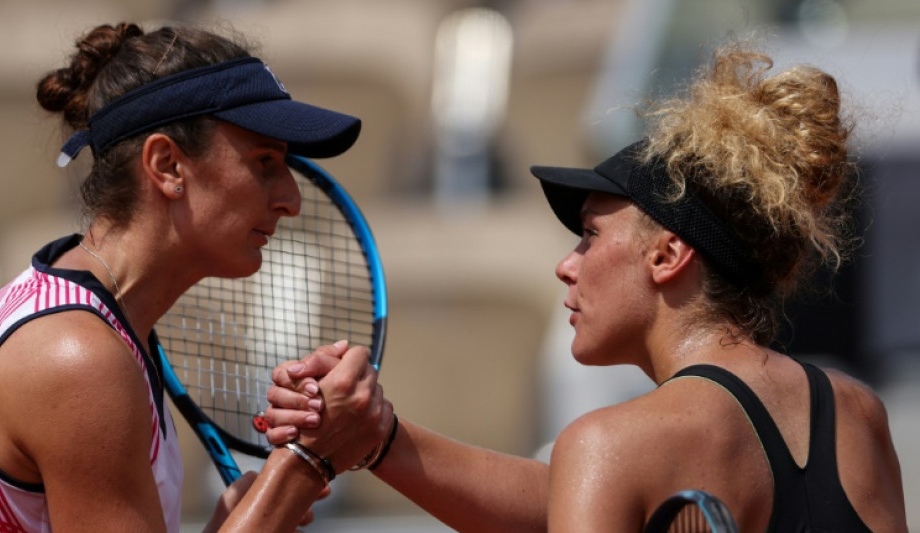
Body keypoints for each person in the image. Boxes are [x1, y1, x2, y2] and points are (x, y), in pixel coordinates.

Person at [264, 39, 909, 532]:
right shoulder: (856, 414)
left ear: (668, 255)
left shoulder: (605, 446)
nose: (566, 265)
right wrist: (377, 437)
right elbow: (565, 496)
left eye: (591, 236)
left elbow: (594, 480)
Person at [0, 22, 393, 532]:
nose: (291, 199)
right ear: (167, 165)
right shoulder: (79, 359)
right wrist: (304, 464)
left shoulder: (92, 320)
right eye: (264, 162)